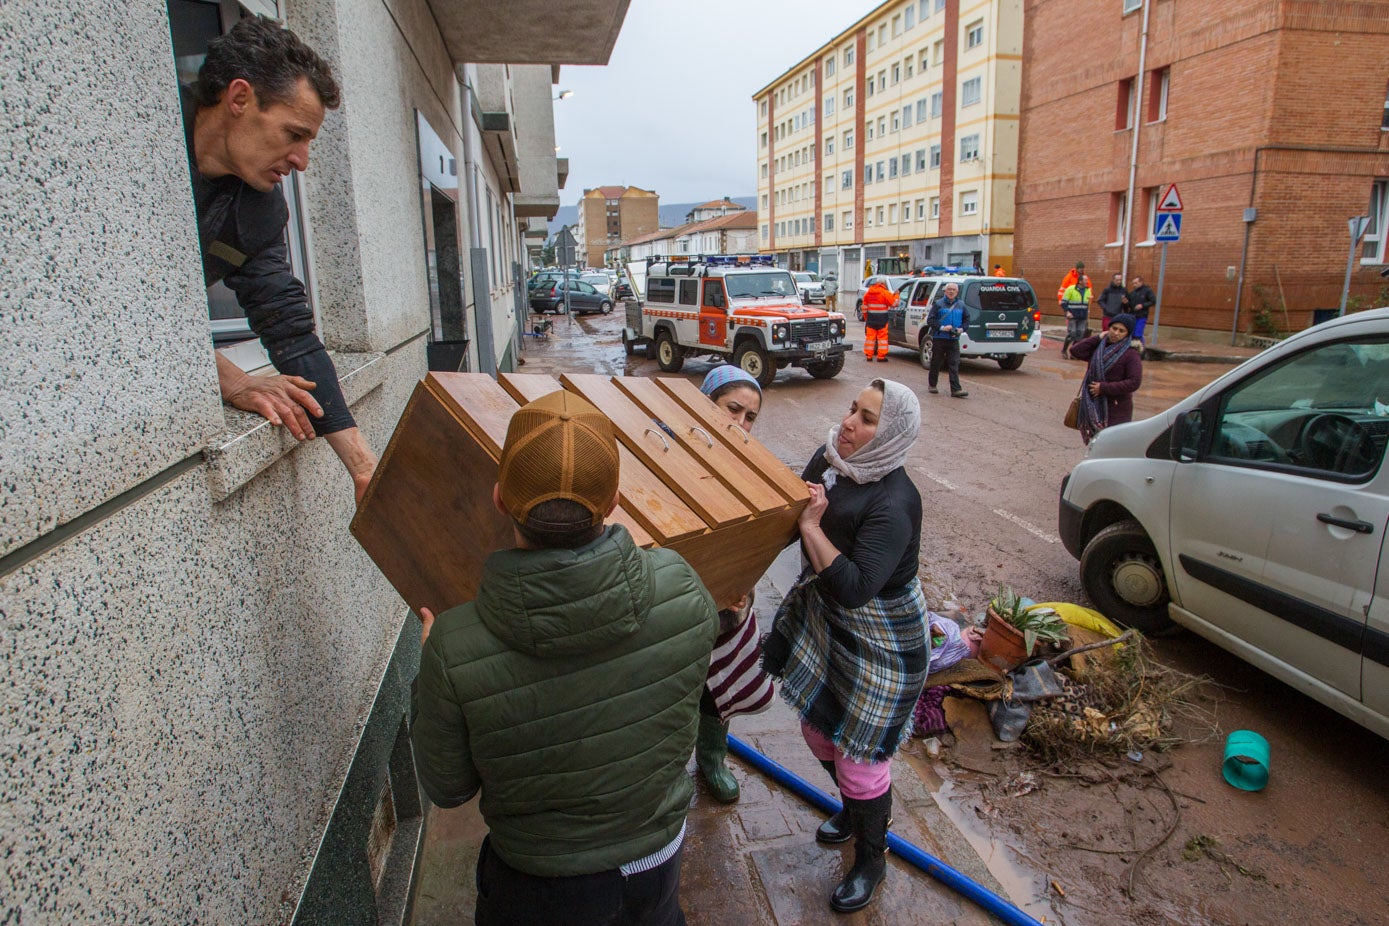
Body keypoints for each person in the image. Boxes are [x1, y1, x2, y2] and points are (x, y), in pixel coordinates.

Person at [410, 390, 718, 926]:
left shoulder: (454, 646)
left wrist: (433, 667)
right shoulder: (684, 588)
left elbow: (448, 788)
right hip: (657, 865)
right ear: (615, 500)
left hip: (537, 890)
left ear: (500, 498)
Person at [185, 17, 376, 501]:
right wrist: (232, 379)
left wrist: (364, 469)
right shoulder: (135, 135)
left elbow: (289, 331)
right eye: (295, 134)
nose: (302, 160)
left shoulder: (260, 210)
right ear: (240, 98)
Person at [763, 379, 928, 914]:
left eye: (869, 418)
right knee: (817, 730)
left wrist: (812, 528)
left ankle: (871, 859)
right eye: (853, 408)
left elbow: (857, 588)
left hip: (883, 641)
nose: (850, 423)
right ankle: (853, 808)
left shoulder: (896, 501)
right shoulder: (832, 458)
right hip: (831, 624)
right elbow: (790, 515)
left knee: (858, 759)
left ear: (893, 432)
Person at [692, 367, 777, 803]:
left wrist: (745, 578)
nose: (740, 425)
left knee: (715, 688)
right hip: (678, 604)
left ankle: (711, 757)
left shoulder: (750, 464)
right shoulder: (670, 451)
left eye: (750, 417)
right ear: (706, 401)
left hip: (727, 605)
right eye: (733, 409)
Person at [1068, 313, 1143, 445]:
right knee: (1095, 444)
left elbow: (1134, 382)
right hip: (1094, 404)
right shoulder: (1099, 348)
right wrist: (1097, 337)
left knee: (1111, 445)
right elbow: (1075, 351)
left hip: (1116, 408)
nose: (1116, 333)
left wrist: (1103, 388)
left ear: (1128, 333)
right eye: (1114, 328)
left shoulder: (1131, 354)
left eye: (1121, 331)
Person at [926, 282, 969, 398]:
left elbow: (967, 320)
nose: (951, 292)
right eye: (949, 289)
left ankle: (955, 389)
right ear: (945, 291)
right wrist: (942, 327)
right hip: (940, 338)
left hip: (954, 339)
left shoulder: (961, 305)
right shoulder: (938, 304)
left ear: (957, 292)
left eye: (953, 290)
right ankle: (932, 385)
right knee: (936, 363)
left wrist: (961, 329)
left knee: (954, 364)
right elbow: (930, 320)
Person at [861, 279, 897, 362]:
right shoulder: (885, 293)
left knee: (870, 338)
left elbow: (864, 308)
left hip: (871, 319)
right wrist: (896, 295)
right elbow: (894, 304)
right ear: (883, 284)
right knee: (882, 338)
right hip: (882, 319)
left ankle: (869, 356)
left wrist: (866, 317)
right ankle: (881, 357)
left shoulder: (868, 293)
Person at [1060, 275, 1093, 359]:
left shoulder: (1088, 290)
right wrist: (1067, 312)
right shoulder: (1071, 289)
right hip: (1072, 316)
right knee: (1072, 333)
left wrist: (1090, 300)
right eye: (1085, 280)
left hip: (1083, 317)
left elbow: (1088, 303)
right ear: (1080, 281)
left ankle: (1073, 352)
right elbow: (1063, 302)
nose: (1087, 282)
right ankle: (1064, 350)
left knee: (1080, 334)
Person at [1126, 275, 1156, 344]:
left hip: (1142, 315)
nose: (1134, 285)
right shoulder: (1132, 293)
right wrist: (1126, 302)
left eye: (1136, 283)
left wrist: (1142, 305)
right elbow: (1129, 304)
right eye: (1133, 283)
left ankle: (1141, 347)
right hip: (1132, 315)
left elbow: (1153, 301)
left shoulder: (1147, 291)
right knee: (1132, 333)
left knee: (1138, 333)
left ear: (1141, 282)